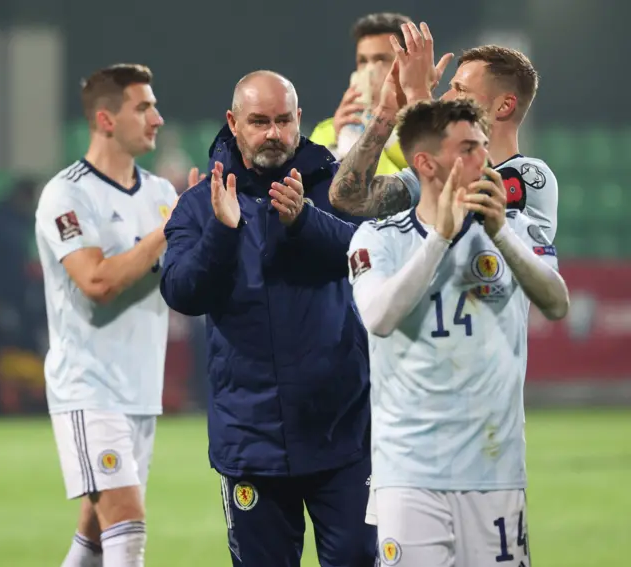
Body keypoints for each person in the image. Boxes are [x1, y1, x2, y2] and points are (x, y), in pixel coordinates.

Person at [160, 70, 376, 567]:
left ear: (300, 120)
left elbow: (370, 254)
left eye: (283, 120)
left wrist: (305, 220)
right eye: (259, 122)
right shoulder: (198, 207)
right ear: (234, 123)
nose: (273, 133)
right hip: (250, 440)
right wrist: (220, 230)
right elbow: (181, 291)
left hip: (340, 434)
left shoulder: (335, 186)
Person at [347, 98, 569, 566]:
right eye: (468, 148)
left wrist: (502, 234)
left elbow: (556, 302)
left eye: (484, 145)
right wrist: (440, 240)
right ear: (426, 162)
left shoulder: (518, 229)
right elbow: (379, 318)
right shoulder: (379, 238)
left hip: (497, 473)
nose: (484, 159)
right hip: (410, 476)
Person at [35, 63, 178, 567]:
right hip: (89, 387)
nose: (157, 118)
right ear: (106, 119)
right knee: (126, 524)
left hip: (141, 387)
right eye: (143, 107)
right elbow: (95, 281)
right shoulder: (67, 194)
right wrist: (173, 231)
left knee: (95, 538)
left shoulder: (162, 195)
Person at [329, 21, 558, 242]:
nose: (445, 98)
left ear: (504, 106)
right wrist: (387, 112)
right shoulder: (431, 174)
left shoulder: (529, 176)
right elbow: (347, 197)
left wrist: (418, 93)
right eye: (449, 87)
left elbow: (471, 232)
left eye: (460, 90)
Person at [309, 12, 433, 175]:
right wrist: (338, 145)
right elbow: (308, 192)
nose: (370, 70)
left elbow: (431, 179)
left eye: (381, 60)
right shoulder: (327, 132)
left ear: (408, 64)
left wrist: (383, 133)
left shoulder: (432, 126)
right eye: (363, 61)